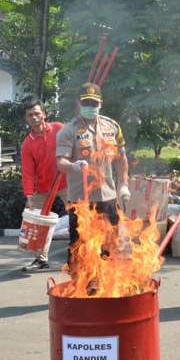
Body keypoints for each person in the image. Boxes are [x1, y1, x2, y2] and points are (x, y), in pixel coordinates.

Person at [56, 83, 130, 269]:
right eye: (86, 102)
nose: (90, 107)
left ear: (101, 104)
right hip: (81, 200)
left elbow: (122, 159)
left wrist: (123, 185)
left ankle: (108, 288)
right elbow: (60, 163)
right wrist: (73, 166)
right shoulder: (68, 130)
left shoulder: (112, 127)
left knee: (110, 246)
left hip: (108, 197)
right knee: (79, 249)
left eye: (94, 103)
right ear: (78, 104)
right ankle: (78, 290)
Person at [20, 97, 67, 271]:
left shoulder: (59, 129)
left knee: (79, 216)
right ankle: (41, 259)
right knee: (38, 223)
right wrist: (29, 196)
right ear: (26, 119)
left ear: (44, 114)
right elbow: (27, 172)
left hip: (65, 183)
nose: (34, 117)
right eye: (30, 115)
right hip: (42, 188)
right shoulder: (27, 144)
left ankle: (82, 253)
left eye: (37, 113)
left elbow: (74, 146)